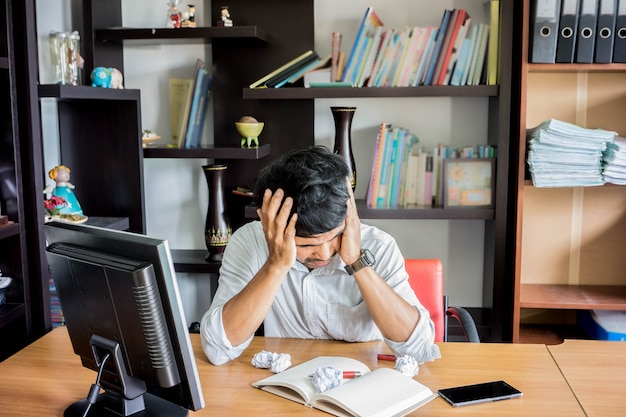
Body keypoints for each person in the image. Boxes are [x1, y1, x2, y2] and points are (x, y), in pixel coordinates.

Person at [200, 146, 441, 366]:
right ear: (269, 224)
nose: (324, 253)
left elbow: (419, 349)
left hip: (365, 380)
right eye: (306, 245)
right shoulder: (249, 243)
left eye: (334, 236)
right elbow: (217, 350)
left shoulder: (379, 245)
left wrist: (358, 262)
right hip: (285, 386)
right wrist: (274, 265)